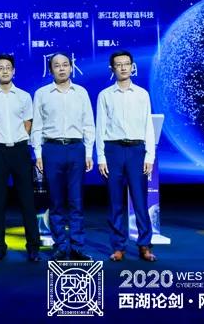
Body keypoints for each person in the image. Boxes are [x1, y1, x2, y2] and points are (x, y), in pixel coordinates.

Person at [32, 52, 95, 261]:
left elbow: (89, 124)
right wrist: (38, 154)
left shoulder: (81, 92)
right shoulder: (42, 94)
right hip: (52, 149)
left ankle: (77, 246)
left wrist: (88, 152)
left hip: (76, 149)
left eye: (65, 64)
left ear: (71, 67)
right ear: (51, 70)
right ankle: (60, 245)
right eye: (57, 65)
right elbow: (37, 127)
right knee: (56, 201)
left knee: (76, 201)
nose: (61, 68)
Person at [96, 50, 157, 263]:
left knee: (140, 201)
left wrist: (149, 156)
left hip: (136, 151)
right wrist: (101, 157)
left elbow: (148, 126)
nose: (123, 67)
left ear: (132, 66)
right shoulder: (105, 95)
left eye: (126, 64)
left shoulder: (142, 94)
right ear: (112, 68)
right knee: (115, 202)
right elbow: (100, 127)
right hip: (113, 150)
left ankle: (144, 245)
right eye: (118, 64)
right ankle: (118, 247)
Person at [0, 54, 42, 263]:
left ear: (13, 71)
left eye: (8, 67)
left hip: (20, 150)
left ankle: (33, 247)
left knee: (27, 200)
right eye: (0, 68)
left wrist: (18, 139)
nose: (5, 71)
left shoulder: (24, 96)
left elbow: (28, 123)